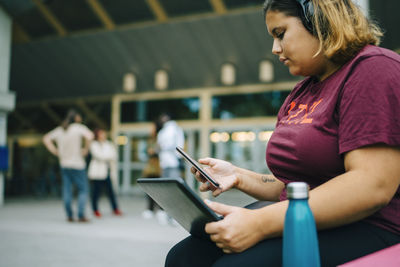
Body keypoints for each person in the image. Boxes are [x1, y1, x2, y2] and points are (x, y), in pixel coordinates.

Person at [165, 0, 400, 266]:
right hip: (304, 215)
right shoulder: (303, 91)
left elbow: (371, 186)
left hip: (373, 226)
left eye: (280, 34)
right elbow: (295, 185)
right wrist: (238, 176)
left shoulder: (374, 69)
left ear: (320, 20)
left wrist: (259, 223)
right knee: (184, 257)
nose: (275, 49)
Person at [43, 109, 94, 222]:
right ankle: (81, 215)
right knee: (83, 190)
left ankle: (69, 215)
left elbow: (46, 138)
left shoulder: (60, 130)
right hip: (78, 164)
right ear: (76, 118)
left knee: (67, 190)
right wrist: (85, 149)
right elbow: (90, 136)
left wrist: (55, 151)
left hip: (64, 164)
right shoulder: (78, 128)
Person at [156, 112, 185, 224]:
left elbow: (177, 146)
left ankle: (173, 216)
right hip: (167, 163)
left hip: (171, 163)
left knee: (172, 190)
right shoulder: (164, 131)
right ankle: (169, 215)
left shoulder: (174, 130)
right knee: (169, 191)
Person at [87, 128, 122, 217]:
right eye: (101, 134)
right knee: (96, 192)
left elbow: (114, 155)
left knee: (111, 192)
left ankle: (115, 209)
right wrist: (108, 156)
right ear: (97, 135)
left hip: (107, 172)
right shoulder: (94, 144)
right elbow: (99, 156)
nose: (103, 135)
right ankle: (95, 210)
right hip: (97, 174)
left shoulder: (108, 144)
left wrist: (107, 156)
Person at [141, 120, 163, 220]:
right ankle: (150, 209)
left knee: (160, 190)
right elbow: (147, 151)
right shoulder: (150, 140)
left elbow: (158, 151)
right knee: (150, 190)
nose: (150, 130)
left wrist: (154, 151)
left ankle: (161, 210)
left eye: (152, 127)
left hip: (159, 168)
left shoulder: (161, 138)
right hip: (150, 169)